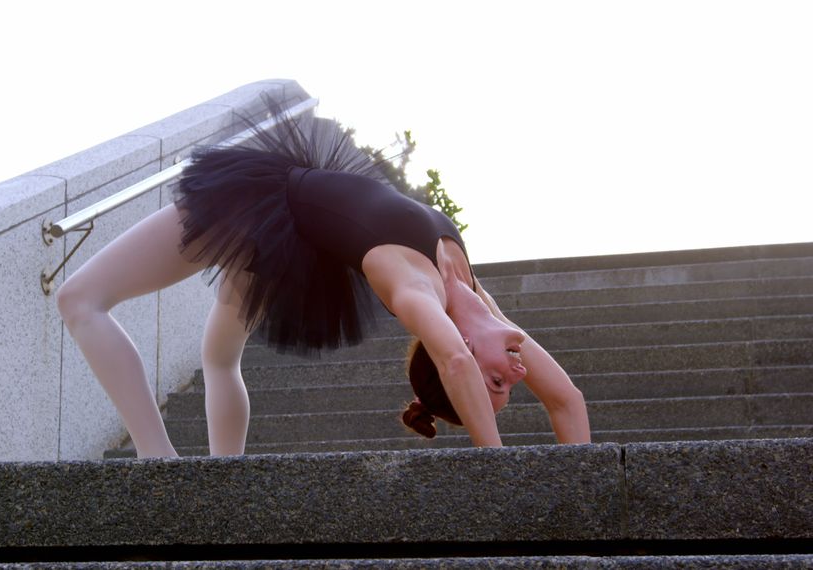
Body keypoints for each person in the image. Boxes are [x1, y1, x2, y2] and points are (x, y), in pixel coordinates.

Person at [56, 99, 590, 458]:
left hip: (258, 215)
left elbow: (453, 360)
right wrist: (576, 485)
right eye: (502, 385)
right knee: (218, 357)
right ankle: (214, 480)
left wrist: (498, 472)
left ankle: (166, 469)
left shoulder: (414, 290)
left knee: (80, 298)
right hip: (275, 217)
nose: (517, 375)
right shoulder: (474, 293)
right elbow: (566, 400)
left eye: (495, 383)